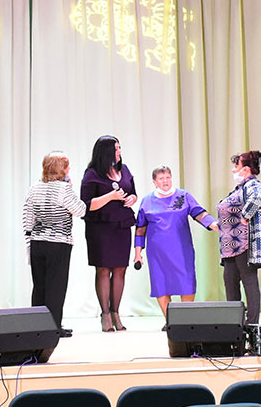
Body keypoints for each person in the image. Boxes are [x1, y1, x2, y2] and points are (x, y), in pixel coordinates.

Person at [132, 166, 218, 318]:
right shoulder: (146, 201)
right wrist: (138, 253)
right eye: (161, 178)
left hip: (181, 250)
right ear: (154, 182)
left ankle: (185, 320)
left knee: (187, 283)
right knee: (161, 285)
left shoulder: (183, 196)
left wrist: (213, 224)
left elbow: (199, 212)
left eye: (167, 177)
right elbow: (140, 229)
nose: (165, 181)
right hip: (157, 253)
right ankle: (170, 321)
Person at [23, 151, 87, 337]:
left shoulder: (34, 188)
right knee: (56, 287)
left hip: (37, 242)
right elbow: (81, 210)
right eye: (67, 166)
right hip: (58, 243)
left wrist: (29, 244)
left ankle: (38, 326)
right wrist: (70, 187)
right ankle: (53, 327)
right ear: (62, 169)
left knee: (39, 287)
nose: (69, 169)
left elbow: (28, 218)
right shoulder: (64, 189)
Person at [79, 135, 139, 332]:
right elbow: (86, 204)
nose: (119, 152)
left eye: (119, 148)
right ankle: (105, 314)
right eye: (116, 149)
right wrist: (111, 196)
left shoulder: (125, 169)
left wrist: (132, 198)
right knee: (104, 269)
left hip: (122, 225)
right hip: (100, 227)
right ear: (106, 152)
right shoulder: (92, 174)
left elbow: (133, 191)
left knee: (121, 269)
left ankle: (116, 312)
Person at [214, 149, 261, 325]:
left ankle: (251, 324)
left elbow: (258, 197)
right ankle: (234, 324)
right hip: (230, 247)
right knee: (230, 283)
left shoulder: (253, 185)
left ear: (245, 169)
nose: (233, 170)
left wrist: (245, 216)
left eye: (236, 166)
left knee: (249, 282)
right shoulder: (240, 188)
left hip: (244, 244)